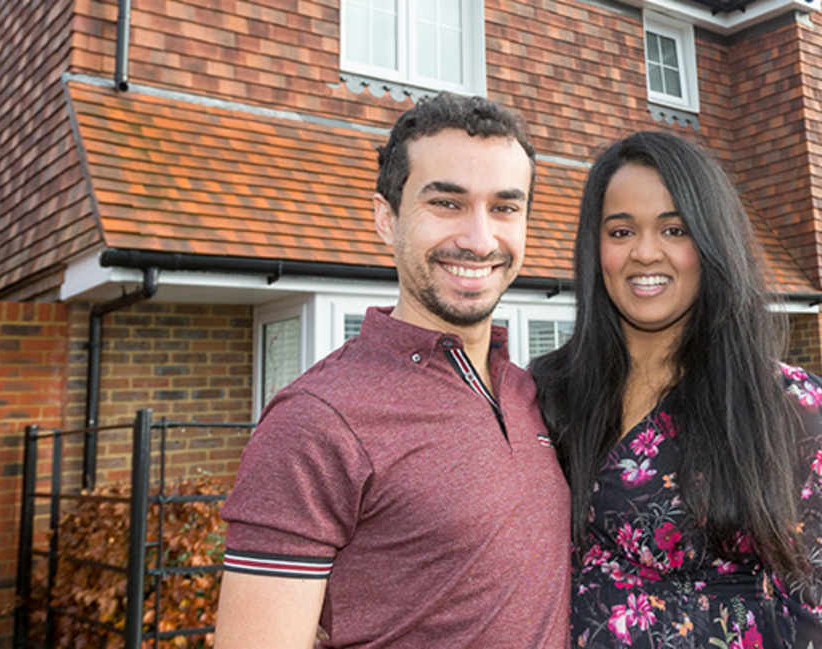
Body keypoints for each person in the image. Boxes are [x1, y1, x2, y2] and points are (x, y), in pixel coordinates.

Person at [214, 94, 569, 649]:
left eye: (505, 207)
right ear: (387, 218)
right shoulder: (316, 421)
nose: (479, 239)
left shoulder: (532, 393)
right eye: (447, 203)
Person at [531, 131, 822, 649]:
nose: (645, 253)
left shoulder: (791, 404)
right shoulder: (545, 393)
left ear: (711, 242)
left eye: (674, 229)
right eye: (620, 232)